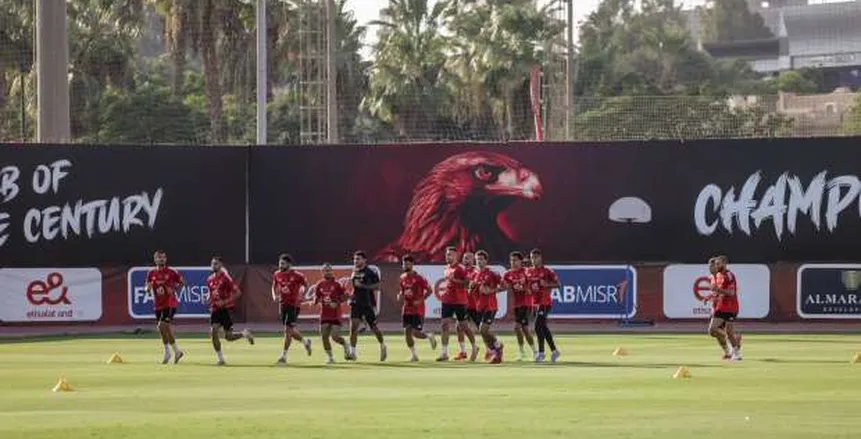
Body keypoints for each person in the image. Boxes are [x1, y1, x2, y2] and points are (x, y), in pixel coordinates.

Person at [207, 256, 254, 366]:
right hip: (215, 309)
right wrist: (208, 299)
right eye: (212, 263)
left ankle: (244, 334)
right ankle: (220, 359)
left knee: (228, 337)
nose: (213, 266)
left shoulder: (225, 278)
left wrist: (225, 302)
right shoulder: (209, 279)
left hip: (225, 309)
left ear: (221, 265)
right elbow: (211, 293)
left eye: (216, 264)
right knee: (213, 332)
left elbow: (238, 293)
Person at [271, 253, 313, 364]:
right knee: (290, 331)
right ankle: (305, 342)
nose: (280, 265)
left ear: (289, 264)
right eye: (280, 263)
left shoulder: (297, 275)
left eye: (283, 264)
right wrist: (274, 295)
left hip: (294, 306)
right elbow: (274, 286)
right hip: (282, 305)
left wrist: (303, 295)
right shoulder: (277, 274)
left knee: (287, 331)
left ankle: (283, 356)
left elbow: (306, 285)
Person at [146, 250, 185, 364]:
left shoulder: (172, 271)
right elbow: (147, 285)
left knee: (162, 325)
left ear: (166, 259)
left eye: (163, 257)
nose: (161, 259)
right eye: (159, 257)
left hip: (170, 303)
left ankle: (169, 352)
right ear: (155, 259)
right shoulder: (151, 273)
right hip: (158, 305)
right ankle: (174, 352)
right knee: (163, 329)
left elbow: (182, 283)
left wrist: (173, 288)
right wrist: (147, 289)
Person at [437, 247, 476, 361]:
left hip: (459, 301)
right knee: (444, 324)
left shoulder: (460, 269)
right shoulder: (446, 268)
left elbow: (467, 283)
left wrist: (455, 281)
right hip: (447, 300)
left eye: (450, 254)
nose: (448, 256)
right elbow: (448, 283)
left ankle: (474, 347)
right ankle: (444, 353)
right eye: (447, 254)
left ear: (456, 256)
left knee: (463, 326)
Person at [398, 255, 438, 361]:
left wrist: (420, 300)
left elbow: (430, 290)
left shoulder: (419, 278)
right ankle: (414, 355)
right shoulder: (402, 277)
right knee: (407, 332)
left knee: (415, 333)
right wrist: (400, 295)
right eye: (404, 264)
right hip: (406, 308)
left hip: (418, 309)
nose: (405, 266)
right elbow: (402, 290)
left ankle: (429, 336)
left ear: (412, 264)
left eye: (407, 264)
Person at [348, 251, 387, 361]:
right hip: (356, 303)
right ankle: (352, 353)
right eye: (355, 259)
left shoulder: (370, 272)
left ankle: (383, 345)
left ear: (364, 260)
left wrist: (363, 286)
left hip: (367, 303)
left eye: (358, 259)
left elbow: (378, 286)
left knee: (374, 328)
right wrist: (351, 296)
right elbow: (355, 288)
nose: (356, 261)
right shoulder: (354, 271)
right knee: (353, 328)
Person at [311, 263, 352, 364]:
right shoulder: (319, 284)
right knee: (324, 336)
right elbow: (316, 297)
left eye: (329, 270)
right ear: (322, 272)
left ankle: (345, 344)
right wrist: (314, 302)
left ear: (332, 271)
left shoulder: (337, 284)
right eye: (325, 270)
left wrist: (337, 303)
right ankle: (330, 357)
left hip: (335, 314)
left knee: (335, 337)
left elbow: (346, 296)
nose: (327, 272)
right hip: (324, 315)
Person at [704, 256, 742, 361]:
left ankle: (737, 354)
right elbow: (718, 292)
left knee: (729, 332)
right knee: (712, 330)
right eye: (715, 264)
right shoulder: (718, 275)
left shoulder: (729, 276)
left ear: (724, 264)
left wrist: (718, 289)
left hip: (730, 307)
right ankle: (734, 342)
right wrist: (710, 296)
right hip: (721, 307)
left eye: (718, 264)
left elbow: (731, 293)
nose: (716, 266)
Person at [526, 249, 561, 363]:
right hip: (535, 303)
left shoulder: (547, 271)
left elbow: (558, 284)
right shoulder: (528, 271)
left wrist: (546, 284)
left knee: (537, 326)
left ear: (540, 258)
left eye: (536, 257)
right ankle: (554, 351)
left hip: (545, 302)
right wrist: (527, 289)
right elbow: (528, 286)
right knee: (543, 327)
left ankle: (541, 353)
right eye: (532, 257)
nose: (533, 260)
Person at [472, 250, 505, 364]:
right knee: (483, 332)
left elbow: (505, 286)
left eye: (481, 259)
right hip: (480, 306)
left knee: (483, 330)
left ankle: (498, 346)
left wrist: (491, 290)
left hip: (490, 306)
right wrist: (471, 288)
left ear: (486, 261)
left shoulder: (492, 273)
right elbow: (474, 290)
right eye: (477, 259)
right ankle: (496, 351)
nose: (479, 261)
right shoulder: (475, 274)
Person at [503, 251, 536, 361]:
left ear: (521, 261)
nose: (513, 262)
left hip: (526, 303)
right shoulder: (508, 274)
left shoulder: (526, 272)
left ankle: (527, 352)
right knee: (523, 329)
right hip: (517, 305)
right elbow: (503, 285)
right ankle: (531, 352)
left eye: (515, 260)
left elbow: (532, 287)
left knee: (518, 327)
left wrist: (525, 287)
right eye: (511, 260)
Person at [456, 250, 481, 361]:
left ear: (473, 260)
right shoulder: (461, 271)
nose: (466, 260)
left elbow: (475, 285)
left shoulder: (476, 271)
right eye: (465, 258)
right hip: (463, 304)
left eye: (469, 258)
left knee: (482, 329)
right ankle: (463, 351)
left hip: (475, 305)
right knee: (459, 327)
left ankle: (491, 350)